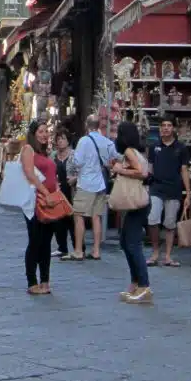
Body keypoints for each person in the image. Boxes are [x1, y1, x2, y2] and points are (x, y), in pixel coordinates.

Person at [112, 120, 153, 304]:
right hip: (139, 202)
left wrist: (120, 170)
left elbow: (141, 172)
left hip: (139, 203)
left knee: (132, 243)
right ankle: (135, 283)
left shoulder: (129, 151)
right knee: (126, 240)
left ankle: (143, 285)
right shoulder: (136, 151)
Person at [20, 119, 61, 295]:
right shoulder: (28, 149)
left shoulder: (46, 153)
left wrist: (56, 192)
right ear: (34, 133)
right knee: (35, 241)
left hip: (50, 201)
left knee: (46, 243)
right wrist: (45, 192)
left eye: (46, 131)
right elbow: (30, 174)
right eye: (41, 131)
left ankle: (45, 281)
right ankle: (32, 281)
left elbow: (53, 176)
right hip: (35, 202)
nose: (45, 135)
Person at [70, 113, 117, 261]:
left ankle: (78, 250)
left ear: (86, 125)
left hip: (85, 183)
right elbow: (114, 157)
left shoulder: (83, 141)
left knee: (79, 215)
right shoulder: (106, 141)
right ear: (98, 126)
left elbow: (77, 162)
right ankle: (96, 250)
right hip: (100, 183)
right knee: (96, 216)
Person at [147, 117, 191, 267]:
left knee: (170, 223)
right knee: (152, 219)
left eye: (169, 125)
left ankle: (167, 256)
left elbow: (184, 170)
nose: (166, 128)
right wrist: (146, 185)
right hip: (156, 188)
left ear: (174, 129)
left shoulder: (181, 148)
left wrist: (188, 193)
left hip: (174, 189)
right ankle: (155, 252)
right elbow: (150, 168)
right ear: (160, 129)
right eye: (163, 125)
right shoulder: (154, 147)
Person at [53, 128, 79, 259]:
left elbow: (82, 170)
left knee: (73, 220)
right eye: (58, 139)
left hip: (72, 190)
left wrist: (75, 178)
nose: (60, 142)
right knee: (59, 220)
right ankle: (61, 247)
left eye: (63, 139)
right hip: (58, 191)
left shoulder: (74, 154)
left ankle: (78, 247)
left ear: (68, 140)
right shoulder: (53, 155)